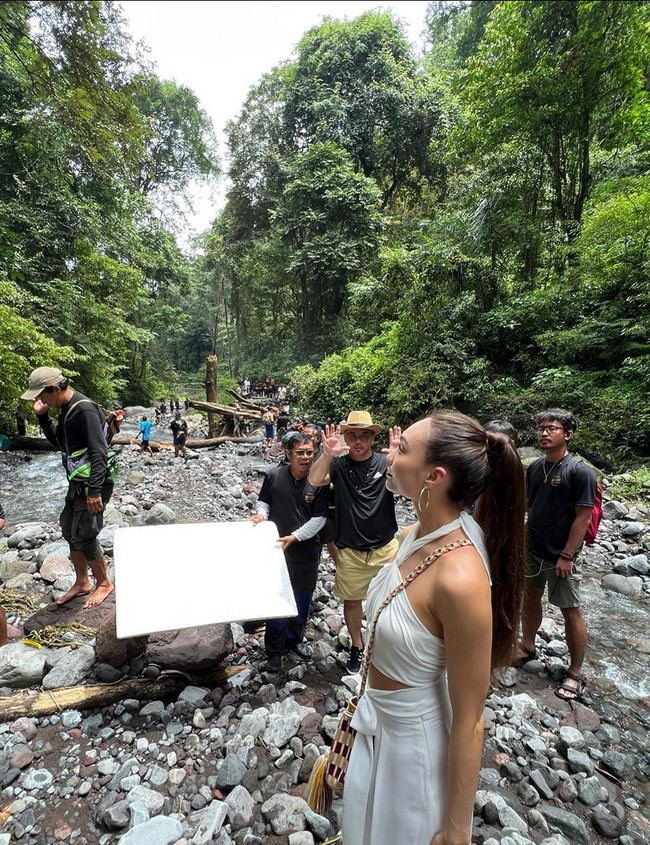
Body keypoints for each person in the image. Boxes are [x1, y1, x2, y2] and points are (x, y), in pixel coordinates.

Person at [341, 410, 526, 845]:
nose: (390, 455)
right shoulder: (412, 536)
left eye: (401, 448)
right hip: (377, 724)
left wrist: (457, 829)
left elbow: (471, 717)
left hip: (413, 748)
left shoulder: (458, 578)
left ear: (434, 476)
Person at [514, 408, 596, 701]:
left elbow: (583, 516)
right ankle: (527, 645)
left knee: (569, 609)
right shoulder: (535, 467)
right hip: (534, 548)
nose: (544, 433)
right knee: (531, 596)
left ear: (568, 435)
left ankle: (574, 672)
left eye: (552, 428)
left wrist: (568, 555)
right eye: (541, 428)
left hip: (563, 554)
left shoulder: (580, 471)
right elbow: (527, 505)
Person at [309, 410, 398, 673]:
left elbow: (409, 487)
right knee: (352, 601)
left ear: (372, 438)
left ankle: (384, 645)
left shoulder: (384, 463)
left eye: (364, 436)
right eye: (352, 436)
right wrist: (326, 454)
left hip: (385, 548)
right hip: (350, 550)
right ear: (345, 437)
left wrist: (397, 462)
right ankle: (357, 646)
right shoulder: (338, 465)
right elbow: (314, 480)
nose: (358, 442)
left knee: (392, 601)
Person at [21, 367, 116, 608]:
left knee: (85, 534)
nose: (41, 400)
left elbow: (99, 452)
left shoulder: (83, 409)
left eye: (42, 396)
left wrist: (94, 491)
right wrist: (43, 417)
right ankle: (82, 582)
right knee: (68, 528)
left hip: (94, 483)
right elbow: (60, 444)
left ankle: (104, 583)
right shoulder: (66, 409)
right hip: (78, 481)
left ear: (54, 389)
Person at [249, 433, 329, 672]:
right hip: (276, 549)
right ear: (288, 453)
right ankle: (274, 652)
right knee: (277, 602)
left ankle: (294, 640)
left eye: (309, 452)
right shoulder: (274, 475)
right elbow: (264, 502)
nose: (305, 457)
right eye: (300, 453)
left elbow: (320, 519)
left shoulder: (320, 481)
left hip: (306, 552)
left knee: (302, 600)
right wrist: (261, 515)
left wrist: (296, 536)